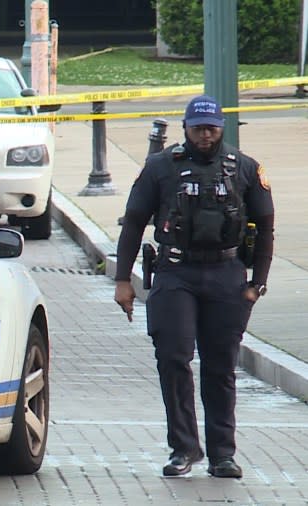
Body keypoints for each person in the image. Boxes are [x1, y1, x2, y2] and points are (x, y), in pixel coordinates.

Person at [114, 95, 274, 479]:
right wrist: (123, 279)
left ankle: (222, 453)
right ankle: (183, 448)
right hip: (175, 273)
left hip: (226, 274)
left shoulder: (245, 169)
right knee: (173, 358)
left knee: (220, 367)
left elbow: (266, 226)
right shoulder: (160, 168)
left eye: (212, 128)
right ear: (185, 128)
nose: (205, 135)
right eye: (198, 128)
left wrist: (258, 283)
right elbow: (133, 223)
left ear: (222, 128)